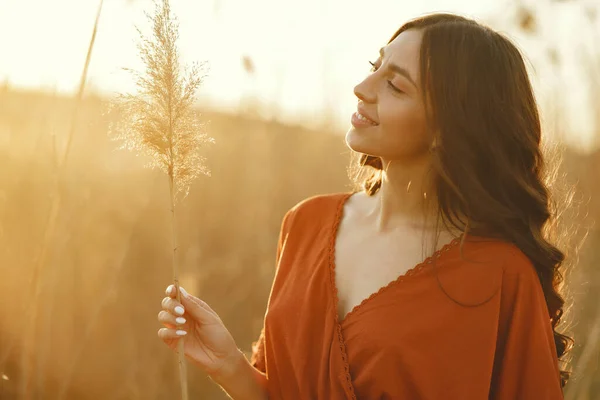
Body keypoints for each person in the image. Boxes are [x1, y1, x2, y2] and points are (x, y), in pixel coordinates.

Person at [157, 12, 571, 400]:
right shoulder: (306, 223)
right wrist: (229, 366)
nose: (362, 88)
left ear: (450, 127)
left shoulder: (499, 275)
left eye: (395, 85)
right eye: (375, 66)